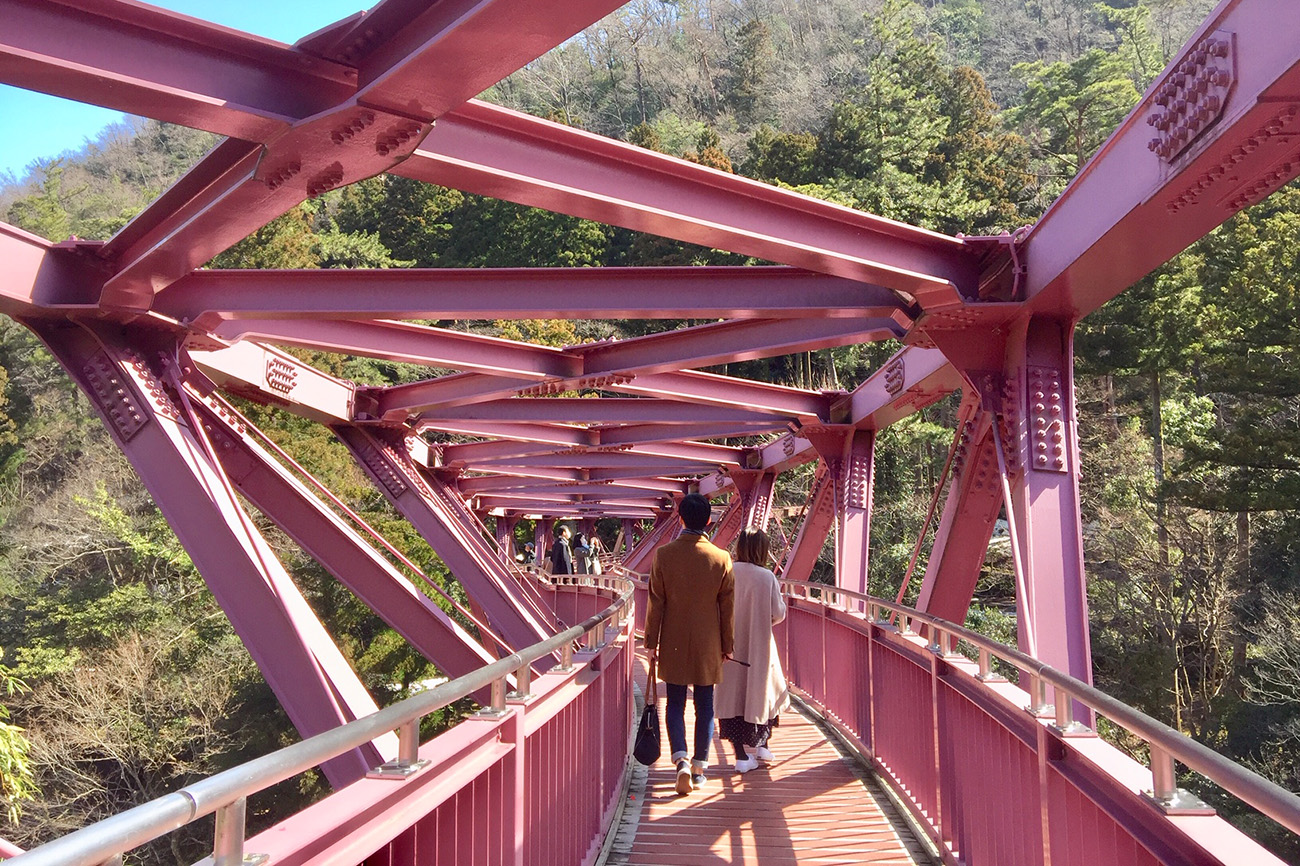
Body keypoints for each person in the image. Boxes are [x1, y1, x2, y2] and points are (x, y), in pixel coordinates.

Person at [644, 493, 735, 795]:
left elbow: (656, 603)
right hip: (709, 642)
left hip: (672, 641)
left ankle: (680, 759)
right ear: (709, 520)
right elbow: (726, 607)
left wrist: (651, 641)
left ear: (680, 518)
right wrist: (727, 644)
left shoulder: (664, 555)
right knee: (706, 706)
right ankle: (698, 768)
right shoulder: (721, 558)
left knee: (674, 703)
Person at [715, 528, 789, 774]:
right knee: (763, 692)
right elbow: (778, 614)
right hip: (760, 645)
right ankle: (762, 746)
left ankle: (740, 755)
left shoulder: (728, 572)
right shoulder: (767, 576)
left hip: (730, 647)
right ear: (762, 549)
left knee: (734, 697)